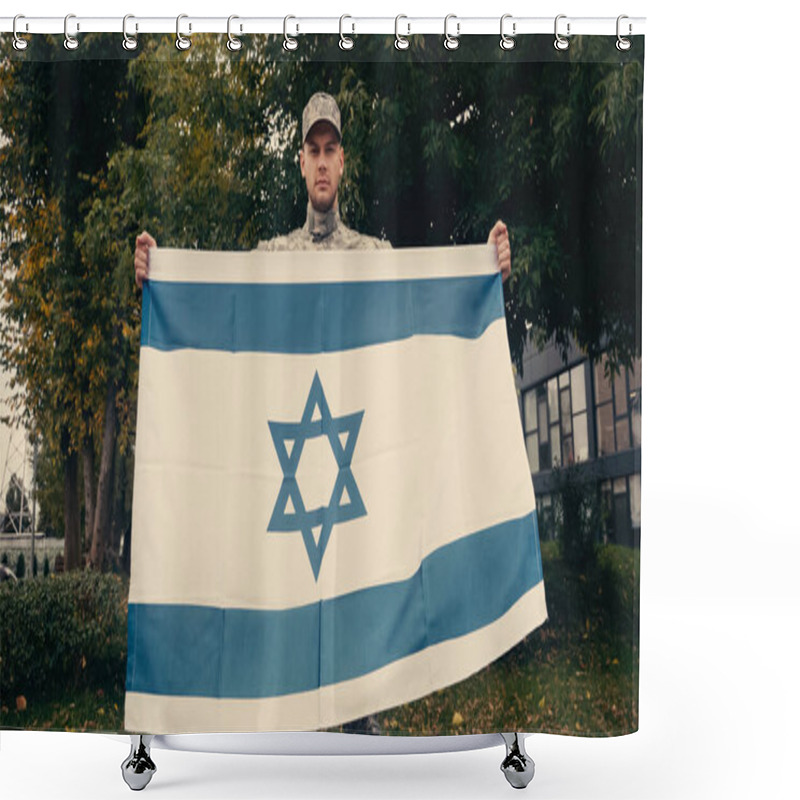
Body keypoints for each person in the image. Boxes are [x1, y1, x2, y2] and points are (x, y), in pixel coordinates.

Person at [133, 93, 512, 735]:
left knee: (356, 726)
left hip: (357, 523)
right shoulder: (269, 262)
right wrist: (159, 277)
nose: (323, 162)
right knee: (293, 731)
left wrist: (485, 272)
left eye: (332, 149)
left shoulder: (375, 259)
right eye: (312, 150)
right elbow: (223, 358)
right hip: (289, 539)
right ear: (299, 163)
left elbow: (422, 345)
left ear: (346, 162)